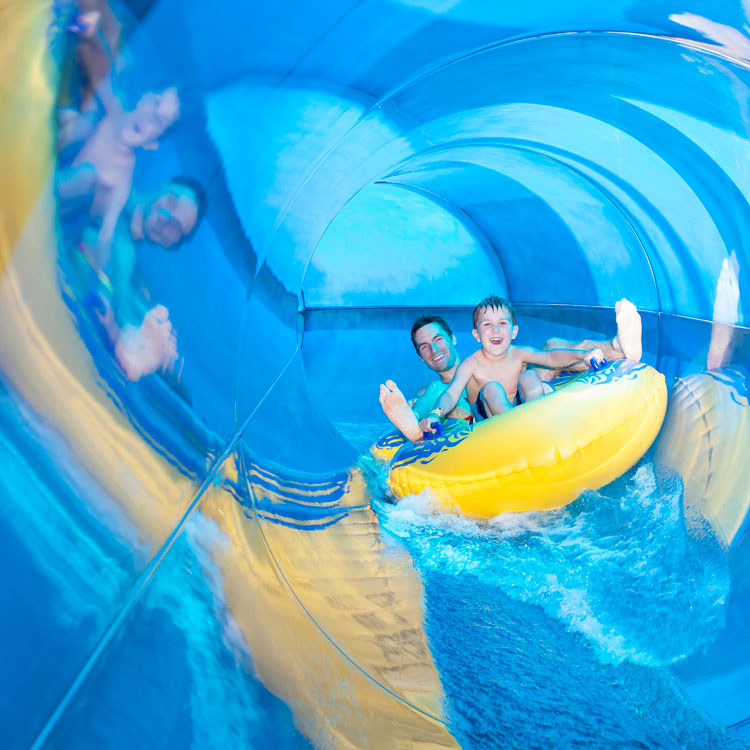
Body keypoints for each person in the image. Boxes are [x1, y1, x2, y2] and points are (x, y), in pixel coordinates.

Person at [71, 176, 205, 381]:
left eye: (174, 227)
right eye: (172, 201)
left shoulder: (139, 280)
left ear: (172, 244)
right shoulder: (114, 188)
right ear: (163, 186)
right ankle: (124, 338)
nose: (164, 217)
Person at [417, 296, 605, 433]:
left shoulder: (519, 353)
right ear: (476, 335)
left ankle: (542, 420)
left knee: (530, 376)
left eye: (502, 323)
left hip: (521, 411)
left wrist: (584, 355)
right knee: (491, 388)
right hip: (488, 422)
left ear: (514, 331)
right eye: (487, 325)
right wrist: (435, 414)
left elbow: (551, 358)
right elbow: (451, 393)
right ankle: (521, 430)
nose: (496, 330)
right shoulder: (470, 364)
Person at [378, 315, 472, 442]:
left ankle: (414, 421)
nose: (434, 350)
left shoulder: (480, 370)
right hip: (453, 434)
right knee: (432, 391)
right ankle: (414, 421)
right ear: (421, 357)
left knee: (438, 389)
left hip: (478, 423)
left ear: (453, 339)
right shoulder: (425, 393)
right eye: (424, 347)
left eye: (438, 339)